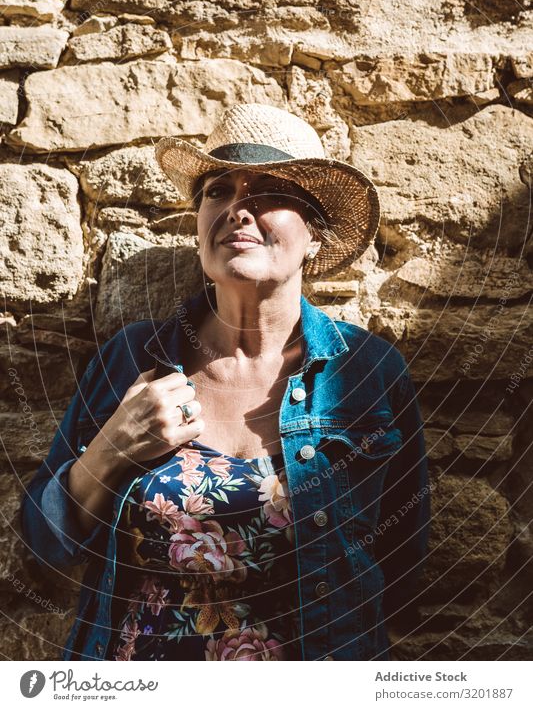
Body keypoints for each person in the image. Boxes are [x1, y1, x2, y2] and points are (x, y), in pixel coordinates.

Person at [20, 102, 430, 662]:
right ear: (198, 226)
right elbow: (43, 546)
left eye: (269, 191)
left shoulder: (369, 372)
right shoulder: (132, 358)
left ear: (314, 236)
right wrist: (110, 452)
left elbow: (403, 564)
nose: (238, 207)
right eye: (219, 189)